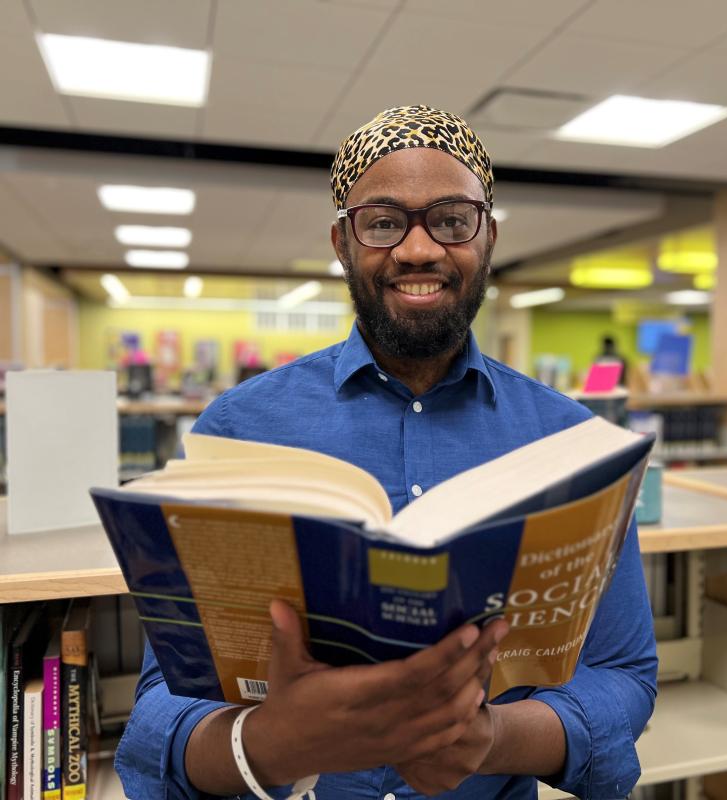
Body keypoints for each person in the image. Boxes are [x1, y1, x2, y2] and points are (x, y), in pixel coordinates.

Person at [115, 106, 657, 800]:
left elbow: (622, 675)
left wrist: (490, 741)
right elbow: (167, 700)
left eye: (452, 219)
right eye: (383, 221)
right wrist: (271, 746)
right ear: (343, 241)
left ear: (487, 234)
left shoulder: (572, 443)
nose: (418, 249)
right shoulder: (240, 429)